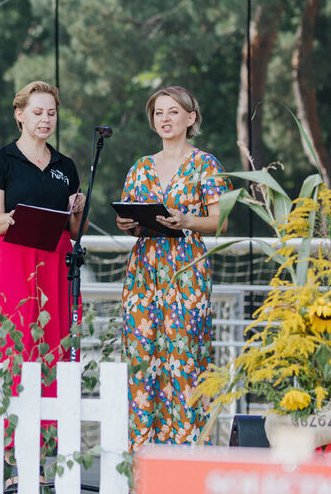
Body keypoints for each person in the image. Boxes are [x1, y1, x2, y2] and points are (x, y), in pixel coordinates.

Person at [115, 86, 230, 450]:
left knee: (184, 358)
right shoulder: (140, 167)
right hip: (144, 270)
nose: (165, 119)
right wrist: (128, 224)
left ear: (191, 118)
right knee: (142, 358)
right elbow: (131, 213)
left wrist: (187, 220)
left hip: (186, 270)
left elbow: (221, 222)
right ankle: (143, 456)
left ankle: (187, 454)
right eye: (159, 113)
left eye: (173, 112)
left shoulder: (206, 165)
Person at [0, 81, 85, 398]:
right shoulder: (0, 160)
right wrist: (13, 218)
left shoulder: (65, 165)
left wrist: (77, 209)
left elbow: (77, 230)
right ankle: (12, 432)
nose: (45, 119)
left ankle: (52, 431)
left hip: (56, 258)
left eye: (51, 113)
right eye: (37, 112)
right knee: (15, 339)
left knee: (55, 337)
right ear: (20, 115)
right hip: (13, 257)